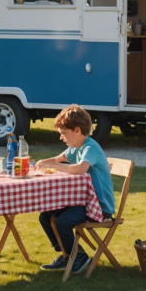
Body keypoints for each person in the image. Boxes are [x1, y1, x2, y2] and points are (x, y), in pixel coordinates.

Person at [35, 105, 116, 274]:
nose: (60, 137)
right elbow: (59, 159)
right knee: (46, 216)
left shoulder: (90, 148)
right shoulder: (75, 147)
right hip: (83, 202)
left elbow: (80, 168)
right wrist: (43, 162)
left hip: (99, 207)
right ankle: (67, 254)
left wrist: (52, 164)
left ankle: (78, 257)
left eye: (63, 133)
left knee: (62, 221)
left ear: (77, 130)